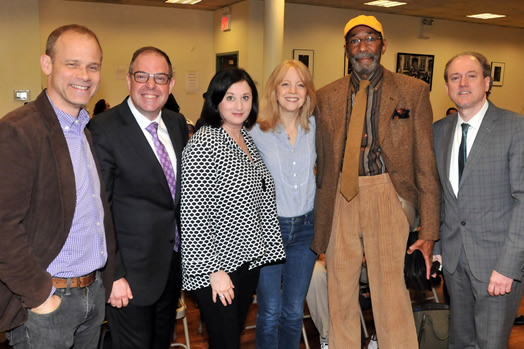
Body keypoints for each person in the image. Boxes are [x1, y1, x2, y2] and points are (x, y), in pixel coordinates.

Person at [313, 15, 440, 348]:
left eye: (370, 39)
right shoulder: (326, 96)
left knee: (389, 289)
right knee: (339, 288)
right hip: (341, 195)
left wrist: (429, 231)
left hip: (388, 193)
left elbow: (425, 163)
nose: (363, 47)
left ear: (383, 45)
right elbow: (321, 160)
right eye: (355, 41)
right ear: (346, 50)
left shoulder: (413, 91)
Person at [0, 24, 115, 347]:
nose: (84, 75)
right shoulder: (18, 131)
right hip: (47, 303)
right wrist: (40, 296)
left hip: (92, 294)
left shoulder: (85, 131)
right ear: (47, 65)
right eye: (72, 64)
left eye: (93, 66)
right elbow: (3, 228)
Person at [88, 46, 188, 349]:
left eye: (160, 78)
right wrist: (113, 274)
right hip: (128, 276)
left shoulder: (176, 122)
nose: (151, 85)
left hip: (171, 267)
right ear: (129, 80)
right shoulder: (103, 128)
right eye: (142, 76)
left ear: (171, 85)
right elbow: (99, 208)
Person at [180, 68, 286, 349]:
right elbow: (193, 214)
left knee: (227, 340)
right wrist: (214, 272)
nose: (239, 105)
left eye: (246, 97)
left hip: (246, 261)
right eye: (230, 97)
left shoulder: (246, 138)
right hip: (216, 269)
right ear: (216, 102)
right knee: (226, 342)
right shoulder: (204, 142)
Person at [433, 52, 524, 348]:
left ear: (486, 82)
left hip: (498, 266)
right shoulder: (439, 131)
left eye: (471, 75)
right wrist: (436, 246)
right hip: (454, 262)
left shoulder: (515, 128)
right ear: (447, 86)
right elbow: (440, 195)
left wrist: (509, 266)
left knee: (491, 344)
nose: (462, 83)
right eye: (454, 77)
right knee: (459, 342)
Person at [248, 60, 317, 349]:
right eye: (285, 84)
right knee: (270, 312)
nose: (292, 91)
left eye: (300, 84)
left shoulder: (316, 127)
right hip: (268, 232)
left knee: (292, 312)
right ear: (274, 91)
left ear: (307, 92)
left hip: (305, 231)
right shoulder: (255, 131)